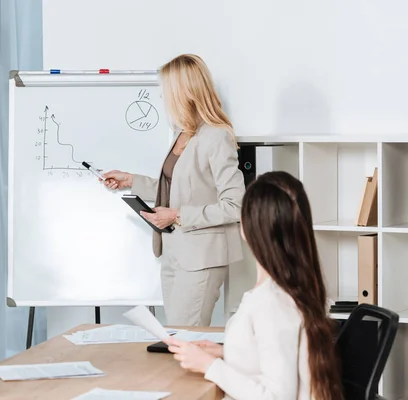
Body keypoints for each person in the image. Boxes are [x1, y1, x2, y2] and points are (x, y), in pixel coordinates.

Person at [164, 171, 344, 400]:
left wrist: (210, 366)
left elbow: (278, 397)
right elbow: (276, 358)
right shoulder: (289, 290)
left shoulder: (272, 302)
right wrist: (226, 353)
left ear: (248, 228)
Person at [102, 54, 245, 326]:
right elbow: (178, 187)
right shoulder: (183, 133)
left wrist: (177, 215)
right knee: (176, 335)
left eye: (166, 90)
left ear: (184, 91)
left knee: (184, 336)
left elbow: (235, 204)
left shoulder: (216, 135)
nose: (163, 97)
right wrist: (130, 180)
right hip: (173, 250)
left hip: (201, 255)